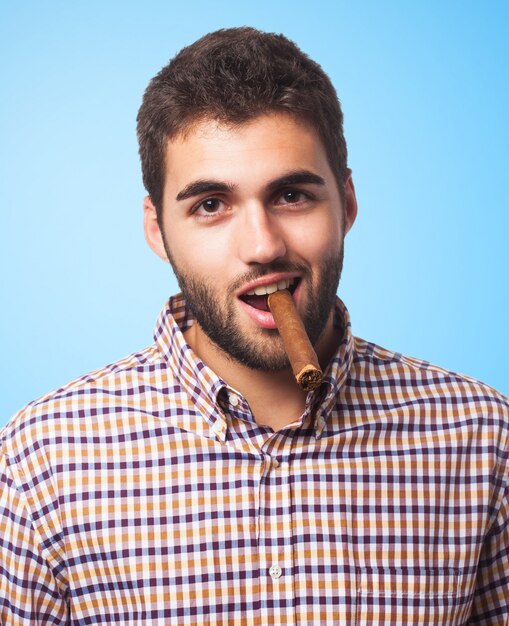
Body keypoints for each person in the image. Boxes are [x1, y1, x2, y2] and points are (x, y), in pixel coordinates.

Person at [1, 27, 508, 625]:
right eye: (210, 205)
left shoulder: (482, 440)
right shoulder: (42, 462)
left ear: (346, 204)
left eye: (292, 195)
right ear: (157, 229)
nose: (263, 246)